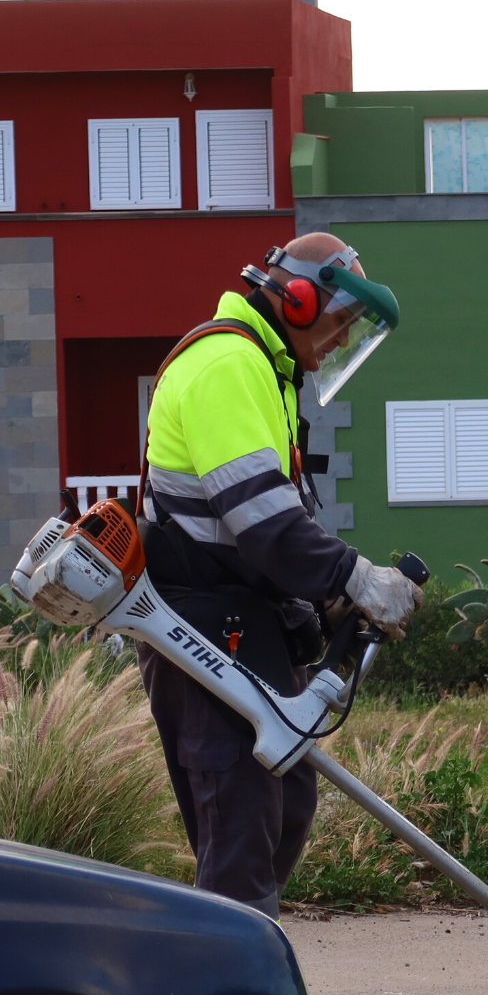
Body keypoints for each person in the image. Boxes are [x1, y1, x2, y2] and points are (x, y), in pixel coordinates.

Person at [137, 233, 422, 919]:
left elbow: (278, 524)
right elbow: (263, 522)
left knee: (284, 808)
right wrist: (355, 577)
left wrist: (330, 599)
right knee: (239, 832)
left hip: (248, 625)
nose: (336, 342)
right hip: (205, 628)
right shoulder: (226, 364)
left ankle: (234, 994)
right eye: (339, 322)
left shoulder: (268, 373)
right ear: (296, 296)